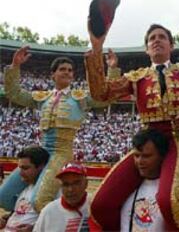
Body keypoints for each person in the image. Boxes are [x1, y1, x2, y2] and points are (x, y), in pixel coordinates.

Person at [85, 23, 179, 231]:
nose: (156, 40)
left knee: (171, 202)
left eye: (162, 37)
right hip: (147, 141)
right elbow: (100, 93)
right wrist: (96, 49)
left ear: (171, 45)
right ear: (146, 49)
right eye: (151, 38)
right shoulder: (136, 78)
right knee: (101, 203)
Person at [0, 48, 119, 213]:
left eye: (70, 70)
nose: (67, 73)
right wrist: (15, 66)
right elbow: (14, 93)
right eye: (62, 69)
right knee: (4, 197)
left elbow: (105, 98)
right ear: (53, 75)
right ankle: (24, 217)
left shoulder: (80, 98)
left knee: (40, 200)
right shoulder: (44, 98)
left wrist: (112, 69)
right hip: (40, 152)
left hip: (61, 153)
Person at [120, 129, 179, 231]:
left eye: (146, 156)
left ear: (162, 157)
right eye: (136, 156)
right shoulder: (127, 188)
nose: (140, 161)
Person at [0, 146, 49, 232]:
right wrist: (6, 219)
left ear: (41, 167)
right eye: (20, 168)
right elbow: (20, 213)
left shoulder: (49, 192)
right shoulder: (25, 189)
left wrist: (34, 228)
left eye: (25, 168)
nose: (20, 173)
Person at [33, 161, 90, 232]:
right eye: (65, 184)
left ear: (86, 184)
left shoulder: (96, 207)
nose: (70, 189)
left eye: (76, 183)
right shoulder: (48, 212)